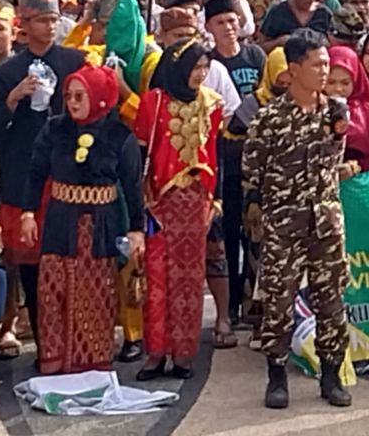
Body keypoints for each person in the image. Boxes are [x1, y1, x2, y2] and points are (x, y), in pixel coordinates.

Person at [245, 28, 353, 408]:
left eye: (326, 63)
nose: (324, 71)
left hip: (325, 220)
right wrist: (258, 212)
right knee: (278, 301)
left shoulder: (337, 110)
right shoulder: (270, 118)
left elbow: (335, 158)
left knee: (331, 300)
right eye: (315, 64)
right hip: (283, 223)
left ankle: (331, 374)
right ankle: (276, 376)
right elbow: (252, 168)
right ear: (292, 69)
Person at [18, 64, 144, 374]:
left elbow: (132, 186)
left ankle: (90, 364)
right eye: (70, 96)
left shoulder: (120, 136)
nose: (73, 102)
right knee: (52, 289)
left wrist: (137, 230)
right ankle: (53, 360)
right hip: (60, 219)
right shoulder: (55, 128)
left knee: (95, 294)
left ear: (100, 98)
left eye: (80, 96)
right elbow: (36, 172)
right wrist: (28, 213)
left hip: (100, 224)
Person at [0, 0, 86, 355]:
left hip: (69, 175)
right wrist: (13, 98)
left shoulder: (74, 60)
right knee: (30, 262)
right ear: (24, 26)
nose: (49, 26)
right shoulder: (5, 71)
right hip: (25, 177)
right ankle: (44, 341)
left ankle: (74, 339)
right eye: (42, 20)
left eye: (53, 18)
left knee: (70, 259)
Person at [133, 37, 222, 381]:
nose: (200, 74)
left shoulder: (212, 104)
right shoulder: (153, 103)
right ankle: (155, 354)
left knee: (188, 279)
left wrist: (215, 201)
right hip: (158, 203)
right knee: (156, 279)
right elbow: (140, 155)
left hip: (196, 204)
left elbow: (215, 153)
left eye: (205, 68)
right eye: (195, 67)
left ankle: (183, 356)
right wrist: (140, 200)